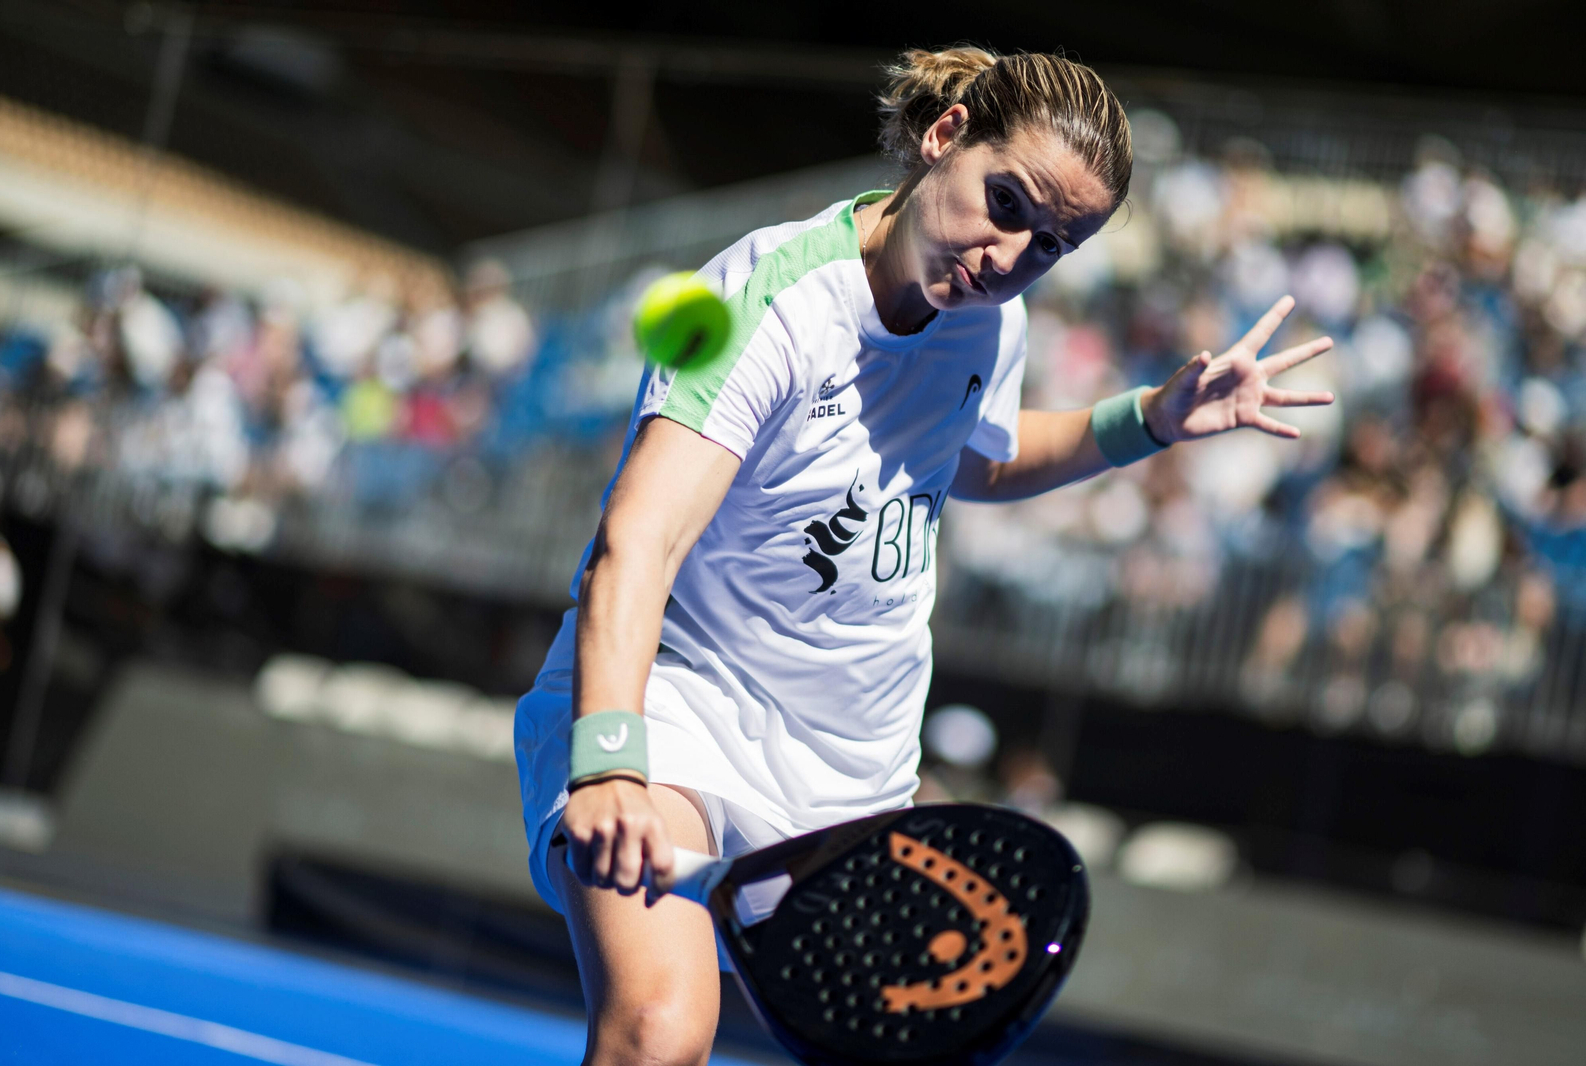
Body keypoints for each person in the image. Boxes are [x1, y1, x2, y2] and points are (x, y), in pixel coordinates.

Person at [513, 46, 1334, 1066]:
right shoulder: (763, 304)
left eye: (1050, 244)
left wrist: (1150, 421)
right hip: (686, 707)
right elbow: (639, 538)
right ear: (945, 136)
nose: (1010, 254)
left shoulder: (986, 323)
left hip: (855, 778)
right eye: (1006, 201)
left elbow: (981, 462)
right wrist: (609, 757)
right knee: (658, 1030)